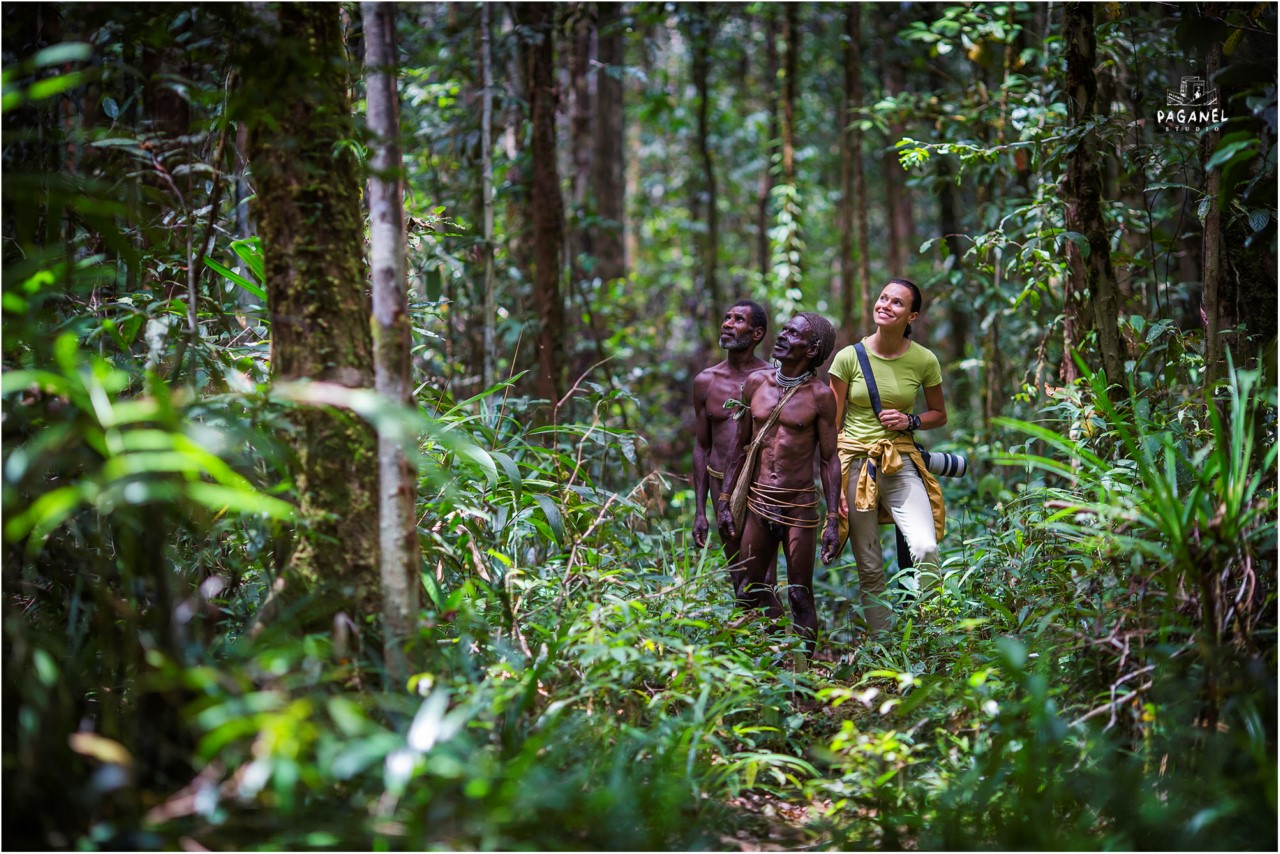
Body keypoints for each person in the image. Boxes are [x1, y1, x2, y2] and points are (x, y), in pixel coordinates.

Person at [716, 312, 841, 659]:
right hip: (758, 503)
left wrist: (833, 519)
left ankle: (802, 677)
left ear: (812, 349)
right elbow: (739, 447)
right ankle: (771, 660)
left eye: (793, 333)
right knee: (749, 588)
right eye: (783, 329)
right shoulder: (756, 383)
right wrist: (725, 498)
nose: (782, 336)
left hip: (798, 507)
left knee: (800, 594)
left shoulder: (820, 396)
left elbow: (830, 459)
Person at [828, 279, 947, 635]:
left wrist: (910, 419)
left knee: (925, 547)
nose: (885, 305)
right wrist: (833, 492)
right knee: (869, 566)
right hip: (855, 465)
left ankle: (932, 635)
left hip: (900, 460)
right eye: (883, 298)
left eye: (897, 303)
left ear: (911, 315)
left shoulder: (924, 359)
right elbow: (832, 428)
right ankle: (886, 648)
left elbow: (939, 414)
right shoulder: (848, 357)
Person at [692, 301, 773, 584]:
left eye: (738, 319)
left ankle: (771, 627)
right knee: (737, 570)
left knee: (764, 572)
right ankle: (747, 625)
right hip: (718, 482)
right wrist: (700, 511)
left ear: (757, 333)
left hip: (761, 484)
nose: (727, 324)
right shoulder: (706, 381)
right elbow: (702, 446)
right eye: (726, 317)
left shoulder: (772, 380)